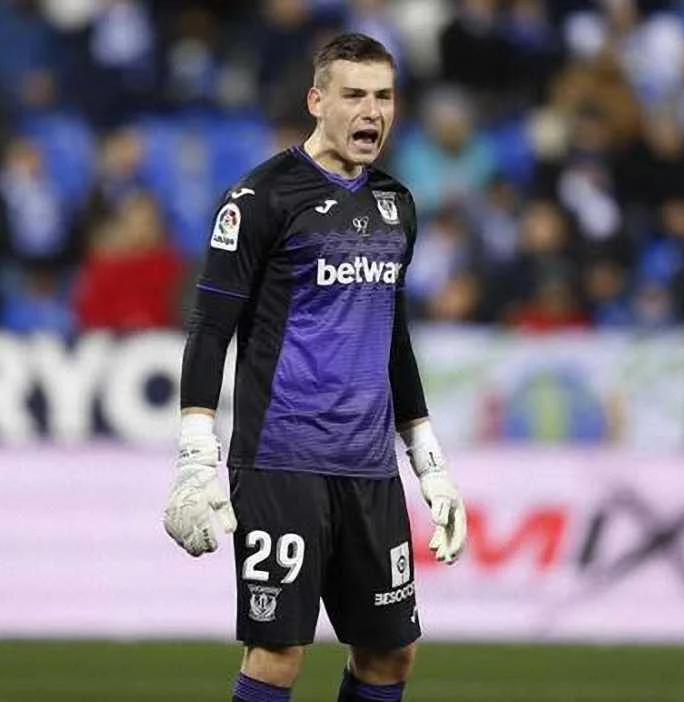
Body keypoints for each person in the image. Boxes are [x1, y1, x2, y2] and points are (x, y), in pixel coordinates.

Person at [162, 33, 468, 702]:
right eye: (354, 95)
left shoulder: (396, 205)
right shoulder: (260, 198)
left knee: (392, 654)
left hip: (370, 468)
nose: (372, 111)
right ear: (316, 100)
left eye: (384, 96)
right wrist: (195, 454)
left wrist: (429, 462)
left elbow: (394, 338)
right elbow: (210, 327)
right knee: (277, 655)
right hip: (282, 461)